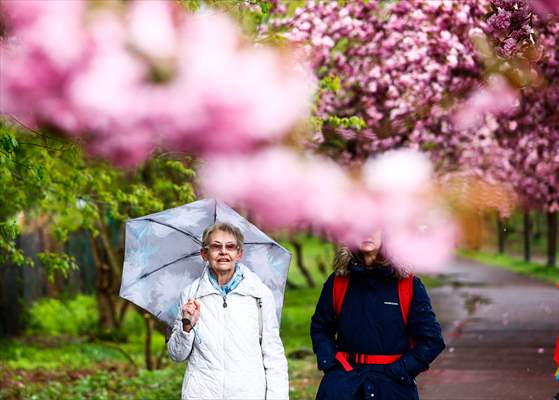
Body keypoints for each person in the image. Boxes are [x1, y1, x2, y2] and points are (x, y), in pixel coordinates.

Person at [311, 231, 445, 400]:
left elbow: (432, 340)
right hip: (343, 386)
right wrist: (331, 364)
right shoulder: (338, 281)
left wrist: (401, 371)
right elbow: (321, 327)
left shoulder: (408, 285)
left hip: (393, 388)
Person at [167, 222, 289, 400]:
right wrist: (187, 325)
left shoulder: (259, 295)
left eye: (230, 247)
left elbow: (273, 355)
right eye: (216, 246)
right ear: (204, 254)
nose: (223, 252)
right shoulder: (190, 295)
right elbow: (176, 355)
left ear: (239, 254)